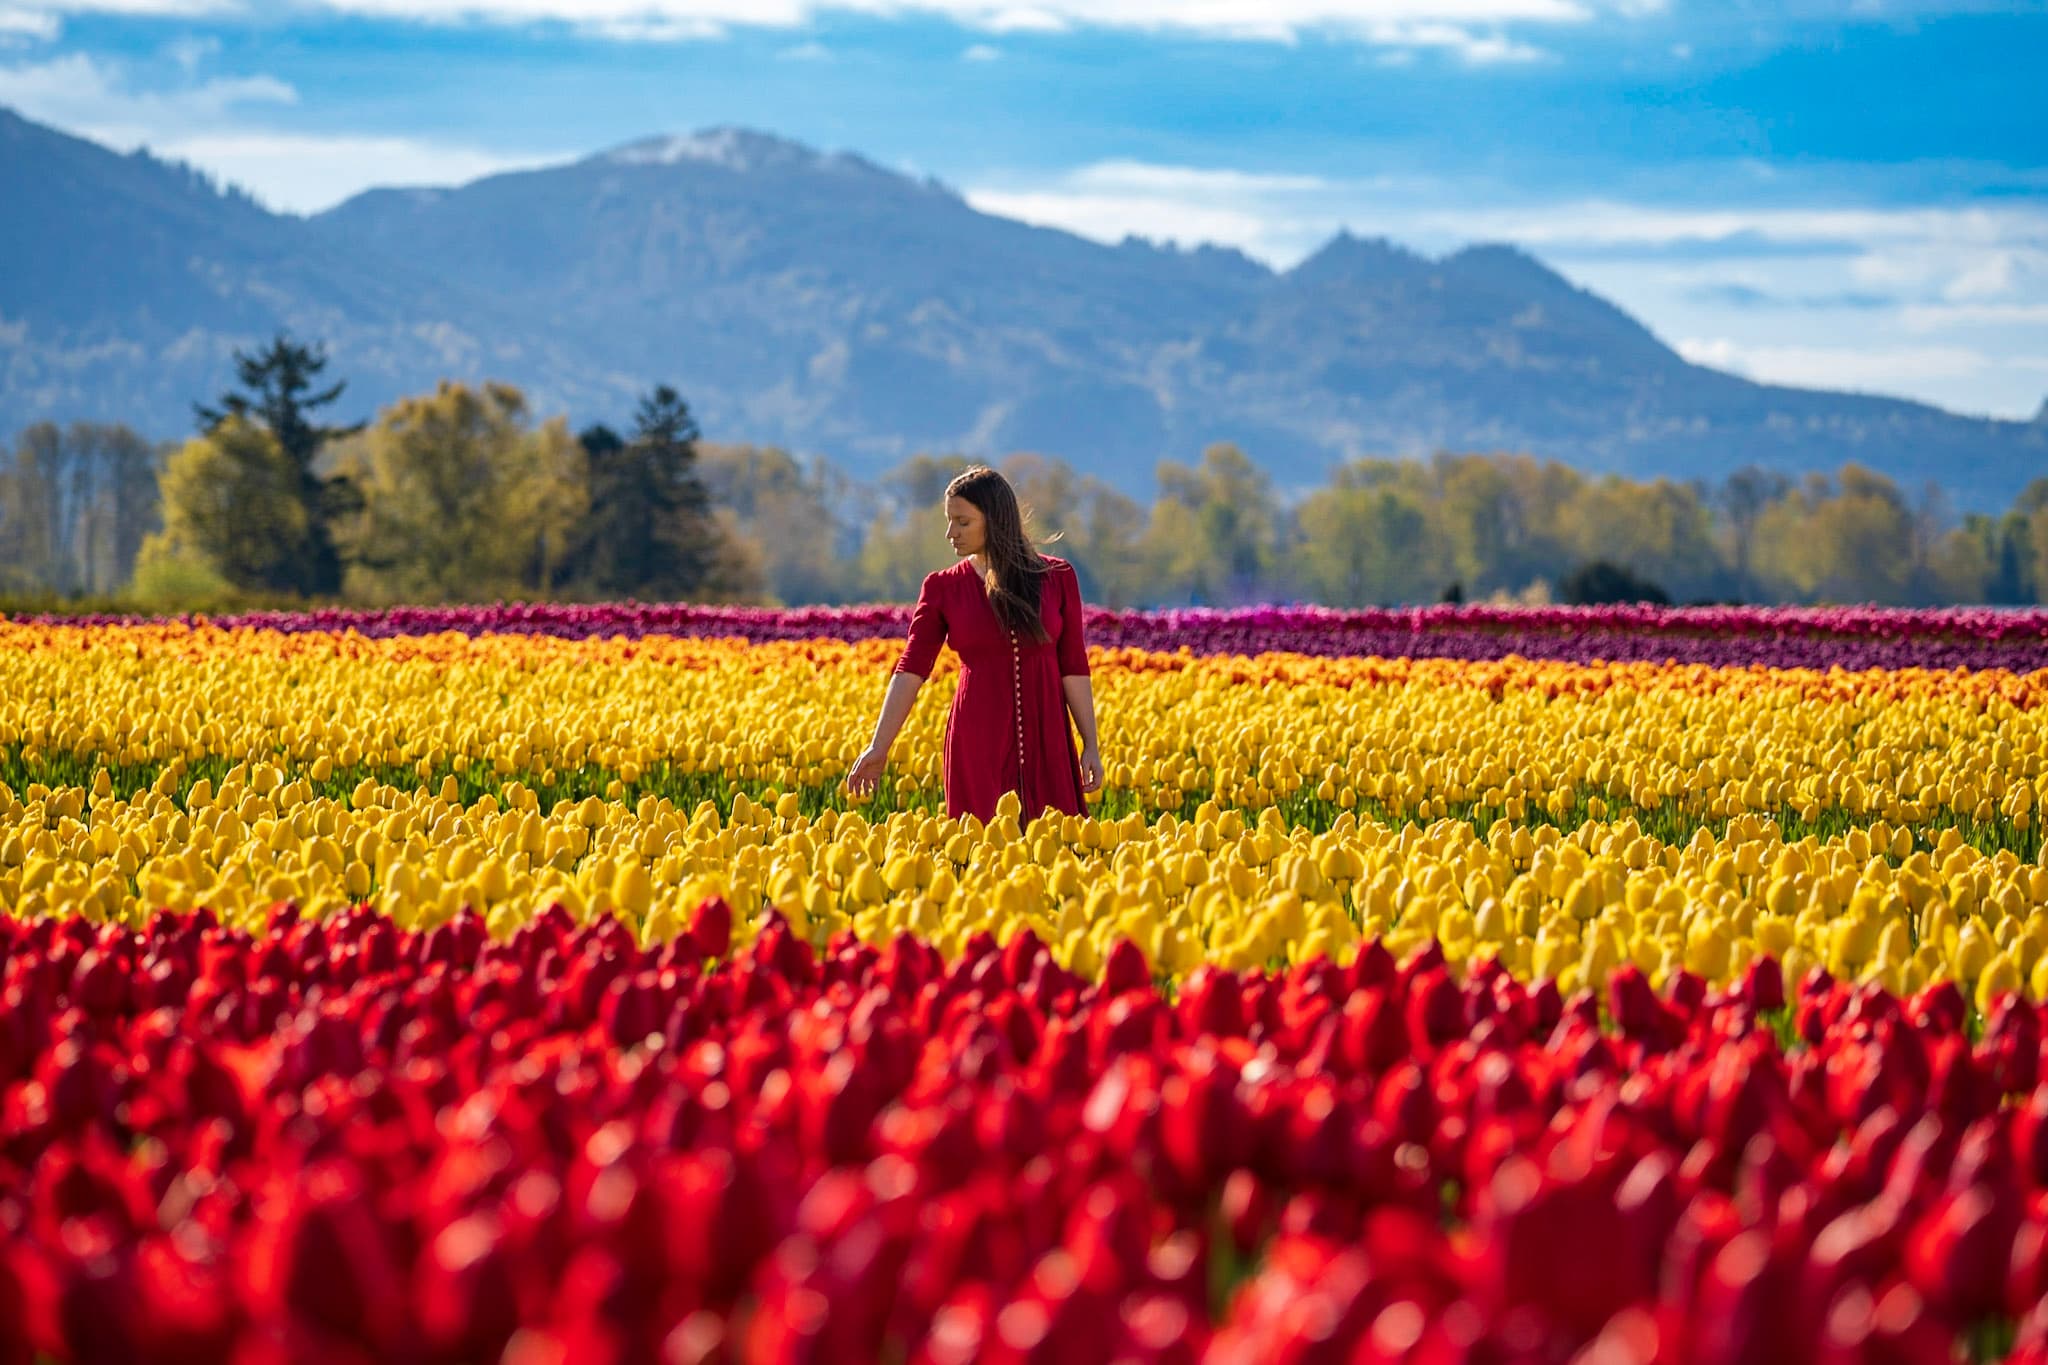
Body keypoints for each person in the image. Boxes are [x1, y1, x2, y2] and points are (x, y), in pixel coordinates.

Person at [844, 466, 1104, 822]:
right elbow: (911, 669)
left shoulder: (1057, 578)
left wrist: (1090, 743)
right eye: (949, 521)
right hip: (978, 737)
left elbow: (1073, 663)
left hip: (1050, 739)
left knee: (1056, 850)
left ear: (995, 520)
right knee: (982, 851)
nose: (951, 533)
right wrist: (879, 746)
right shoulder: (943, 588)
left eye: (963, 522)